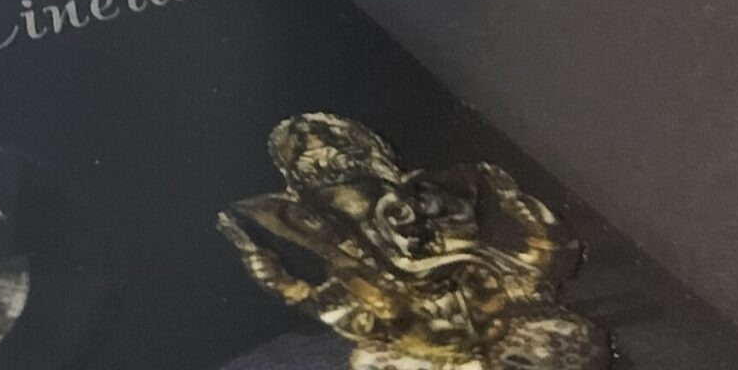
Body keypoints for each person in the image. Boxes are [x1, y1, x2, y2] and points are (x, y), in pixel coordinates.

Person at [219, 112, 608, 369]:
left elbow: (543, 263)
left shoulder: (468, 251)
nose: (393, 229)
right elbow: (320, 304)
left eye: (393, 210)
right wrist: (273, 276)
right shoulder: (361, 284)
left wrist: (521, 212)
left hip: (506, 339)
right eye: (359, 225)